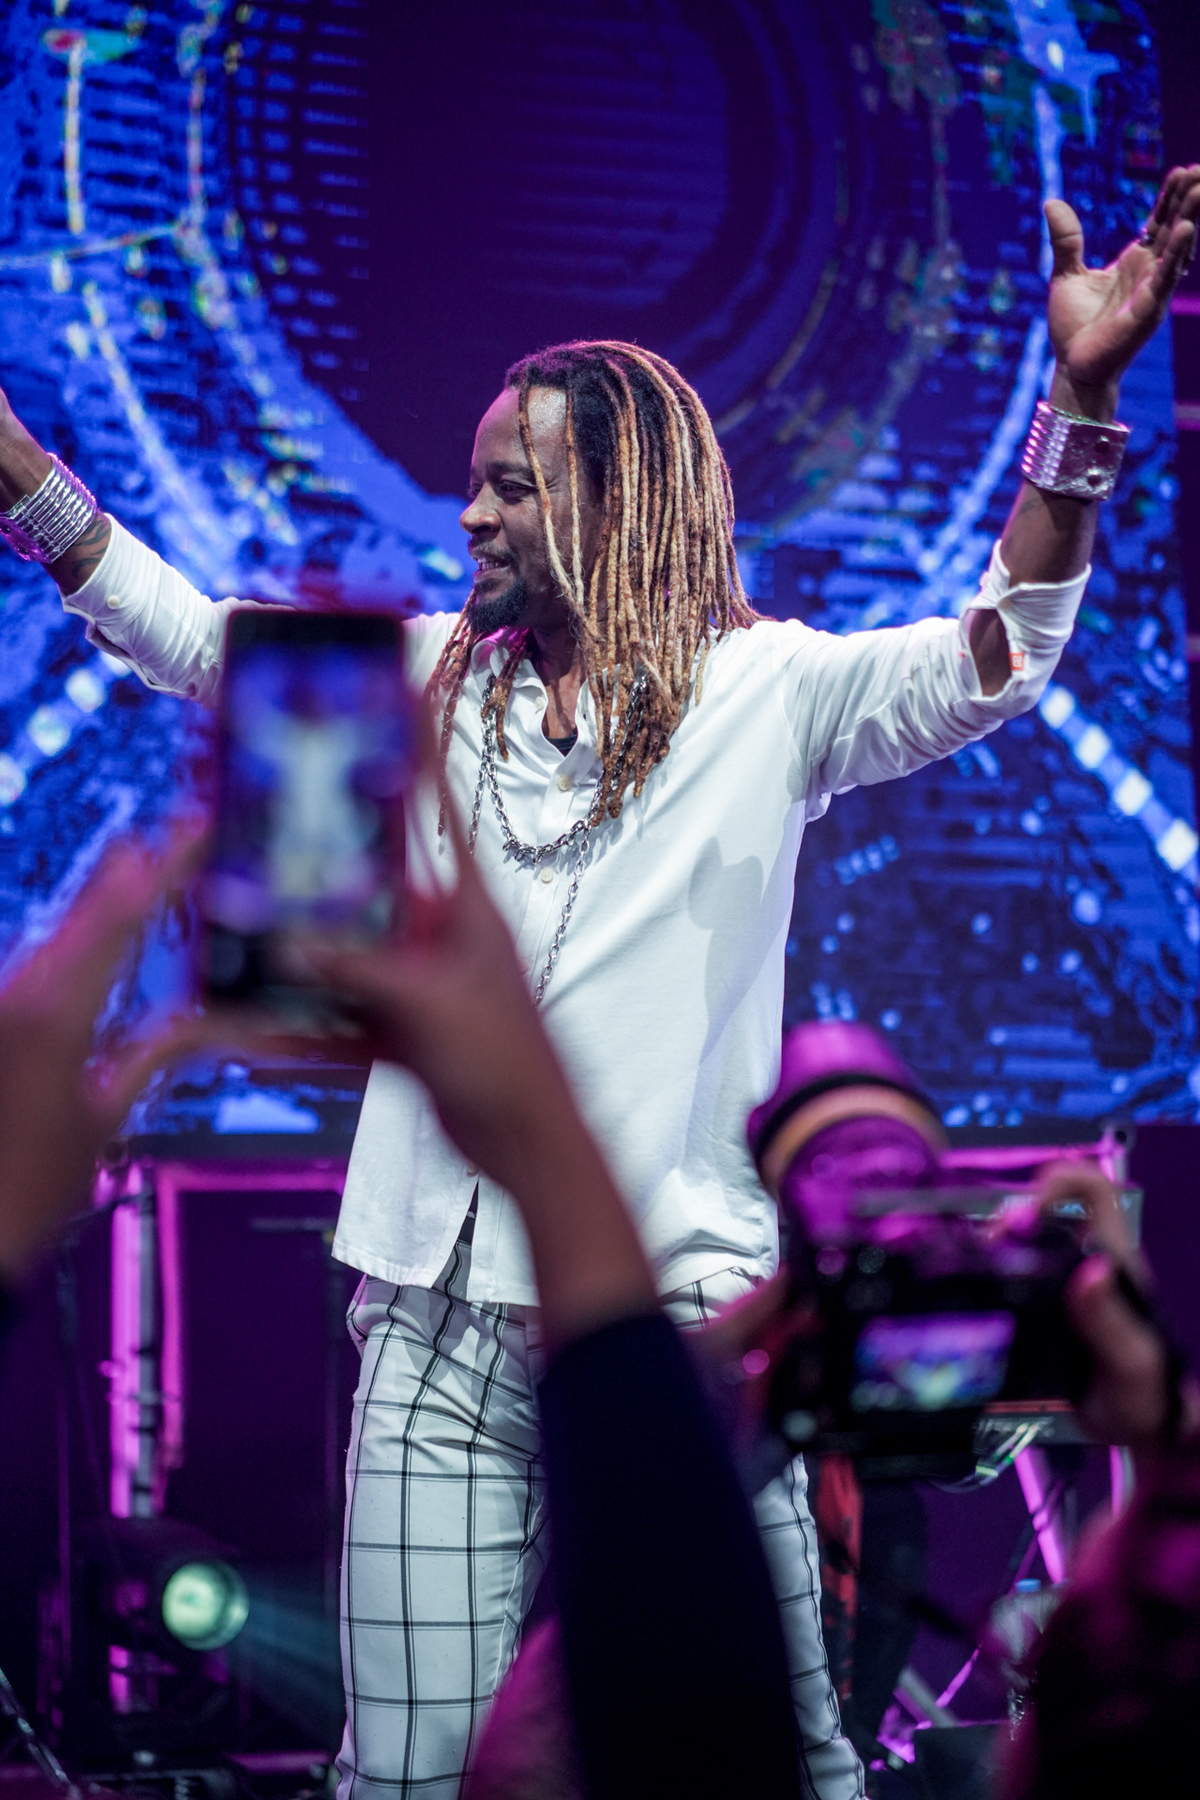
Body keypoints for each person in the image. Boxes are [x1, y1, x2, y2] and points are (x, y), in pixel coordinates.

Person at [1, 168, 1197, 1800]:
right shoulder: (429, 685)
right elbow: (201, 641)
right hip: (431, 1317)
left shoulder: (772, 693)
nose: (470, 518)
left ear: (615, 502)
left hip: (688, 1323)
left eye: (508, 487)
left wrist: (1080, 401)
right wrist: (23, 477)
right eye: (472, 487)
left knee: (776, 1756)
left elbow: (1005, 652)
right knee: (409, 1774)